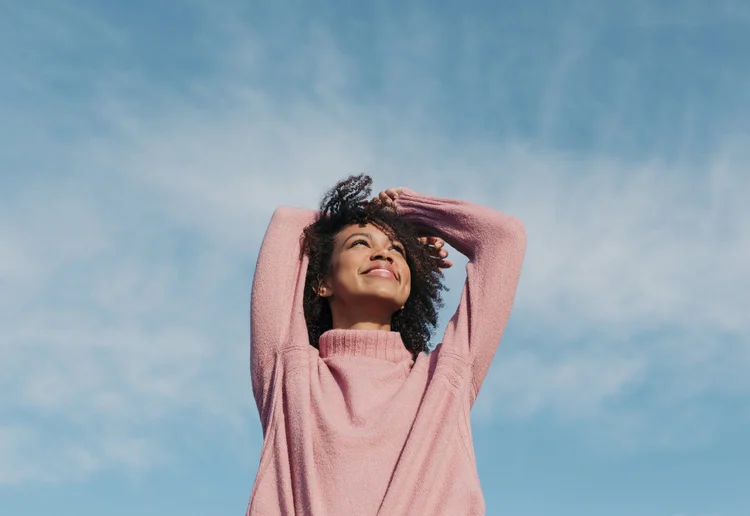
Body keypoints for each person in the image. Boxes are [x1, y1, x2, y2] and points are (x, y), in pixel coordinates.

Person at [247, 175, 526, 515]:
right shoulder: (289, 373)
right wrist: (367, 214)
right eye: (360, 244)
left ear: (410, 288)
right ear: (323, 282)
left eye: (397, 249)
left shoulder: (444, 379)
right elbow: (288, 223)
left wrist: (408, 210)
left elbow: (503, 238)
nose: (383, 252)